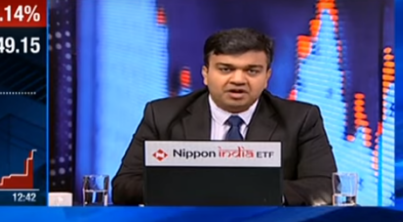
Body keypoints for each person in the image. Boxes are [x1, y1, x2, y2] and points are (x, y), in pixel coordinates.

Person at [111, 28, 337, 206]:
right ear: (206, 74)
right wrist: (199, 190)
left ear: (267, 76)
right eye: (226, 69)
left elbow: (325, 187)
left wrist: (250, 192)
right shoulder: (163, 115)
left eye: (252, 71)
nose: (238, 80)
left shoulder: (301, 119)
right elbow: (124, 186)